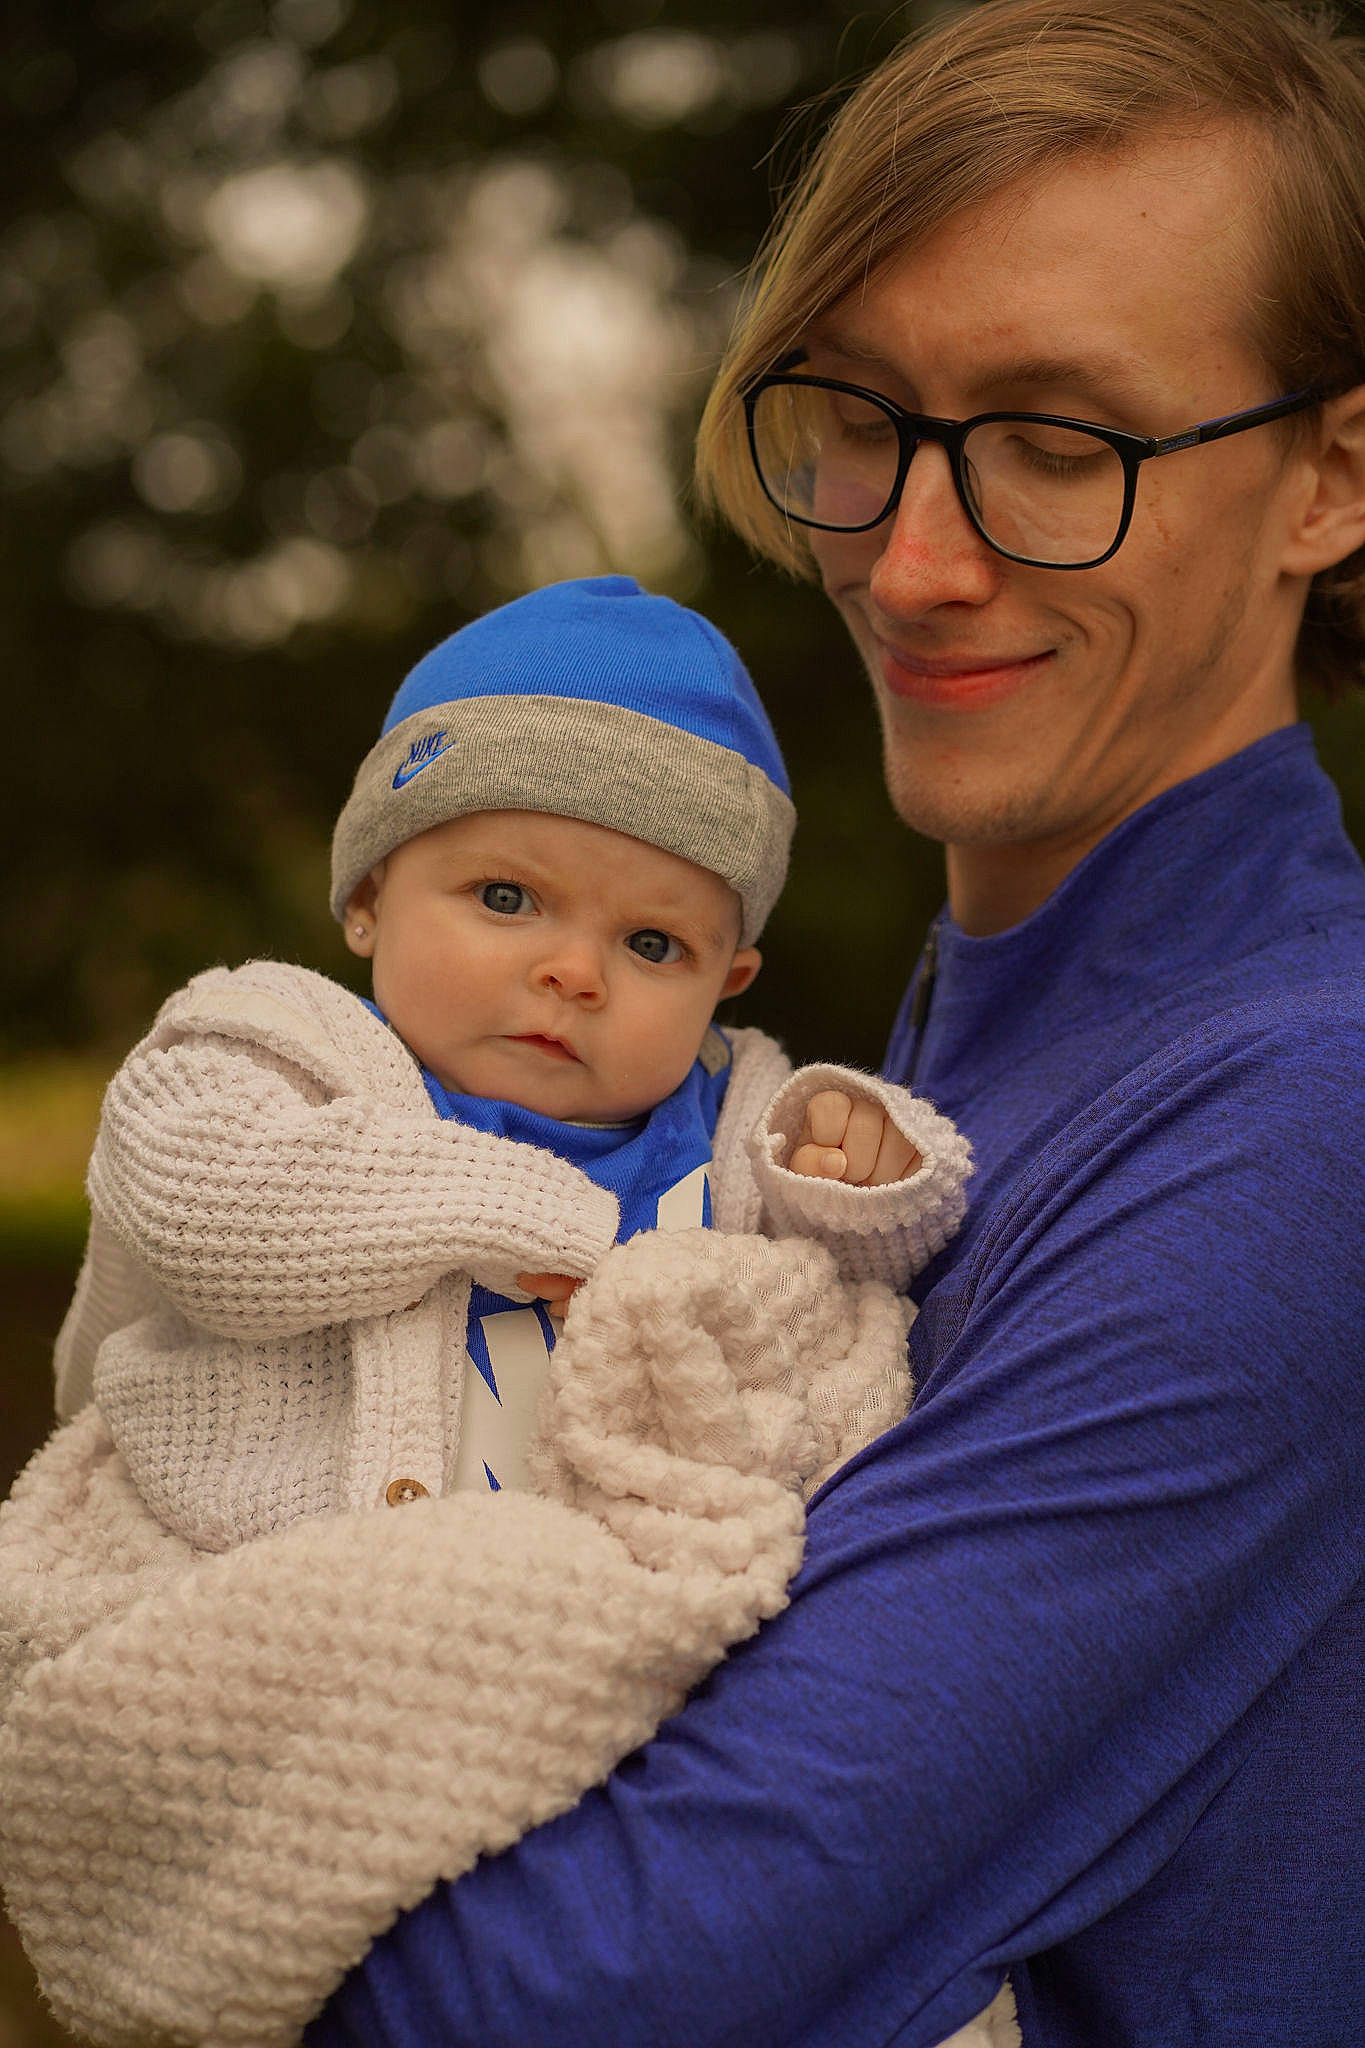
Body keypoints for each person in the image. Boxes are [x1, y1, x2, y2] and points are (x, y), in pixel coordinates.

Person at [268, 0, 1361, 2042]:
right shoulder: (936, 1055)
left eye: (1058, 445)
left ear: (1327, 476)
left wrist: (133, 1802)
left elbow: (604, 1996)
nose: (910, 559)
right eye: (859, 417)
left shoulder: (1299, 1121)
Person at [0, 574, 986, 2047]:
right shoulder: (272, 1047)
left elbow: (879, 1260)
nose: (570, 970)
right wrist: (530, 1219)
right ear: (365, 896)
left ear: (729, 977)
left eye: (653, 946)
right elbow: (206, 1208)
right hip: (276, 1614)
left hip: (588, 1674)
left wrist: (853, 1159)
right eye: (504, 898)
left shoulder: (731, 1115)